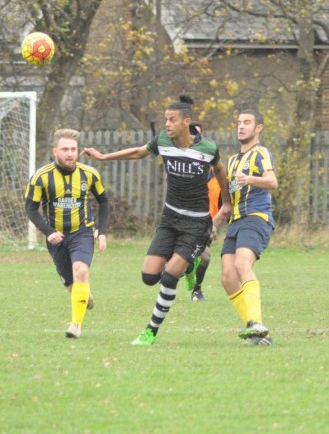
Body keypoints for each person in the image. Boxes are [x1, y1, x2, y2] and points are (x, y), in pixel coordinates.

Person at [82, 94, 231, 345]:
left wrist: (226, 203)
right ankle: (189, 265)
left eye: (172, 120)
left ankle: (150, 331)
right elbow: (138, 152)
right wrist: (103, 157)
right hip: (170, 220)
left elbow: (221, 171)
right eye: (166, 120)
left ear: (186, 122)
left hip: (196, 225)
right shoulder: (163, 141)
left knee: (170, 276)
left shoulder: (207, 149)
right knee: (149, 277)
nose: (167, 124)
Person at [24, 128, 110, 339]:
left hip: (82, 232)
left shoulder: (90, 174)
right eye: (65, 149)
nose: (70, 153)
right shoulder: (41, 177)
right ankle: (84, 294)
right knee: (74, 287)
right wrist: (48, 232)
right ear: (55, 151)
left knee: (81, 271)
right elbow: (30, 208)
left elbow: (104, 202)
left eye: (73, 149)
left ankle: (75, 325)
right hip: (56, 237)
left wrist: (103, 232)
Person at [214, 109, 277, 346]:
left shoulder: (261, 153)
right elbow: (228, 204)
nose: (241, 126)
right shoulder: (231, 161)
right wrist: (214, 222)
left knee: (242, 264)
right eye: (239, 122)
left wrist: (250, 179)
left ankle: (256, 324)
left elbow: (272, 182)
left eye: (247, 122)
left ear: (258, 128)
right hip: (236, 222)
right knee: (228, 278)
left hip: (256, 218)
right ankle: (260, 332)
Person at [180, 121, 223, 301]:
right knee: (195, 257)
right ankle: (186, 269)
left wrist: (216, 224)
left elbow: (224, 203)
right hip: (185, 221)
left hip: (206, 224)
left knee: (204, 258)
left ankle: (196, 289)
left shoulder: (216, 171)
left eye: (198, 135)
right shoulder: (181, 166)